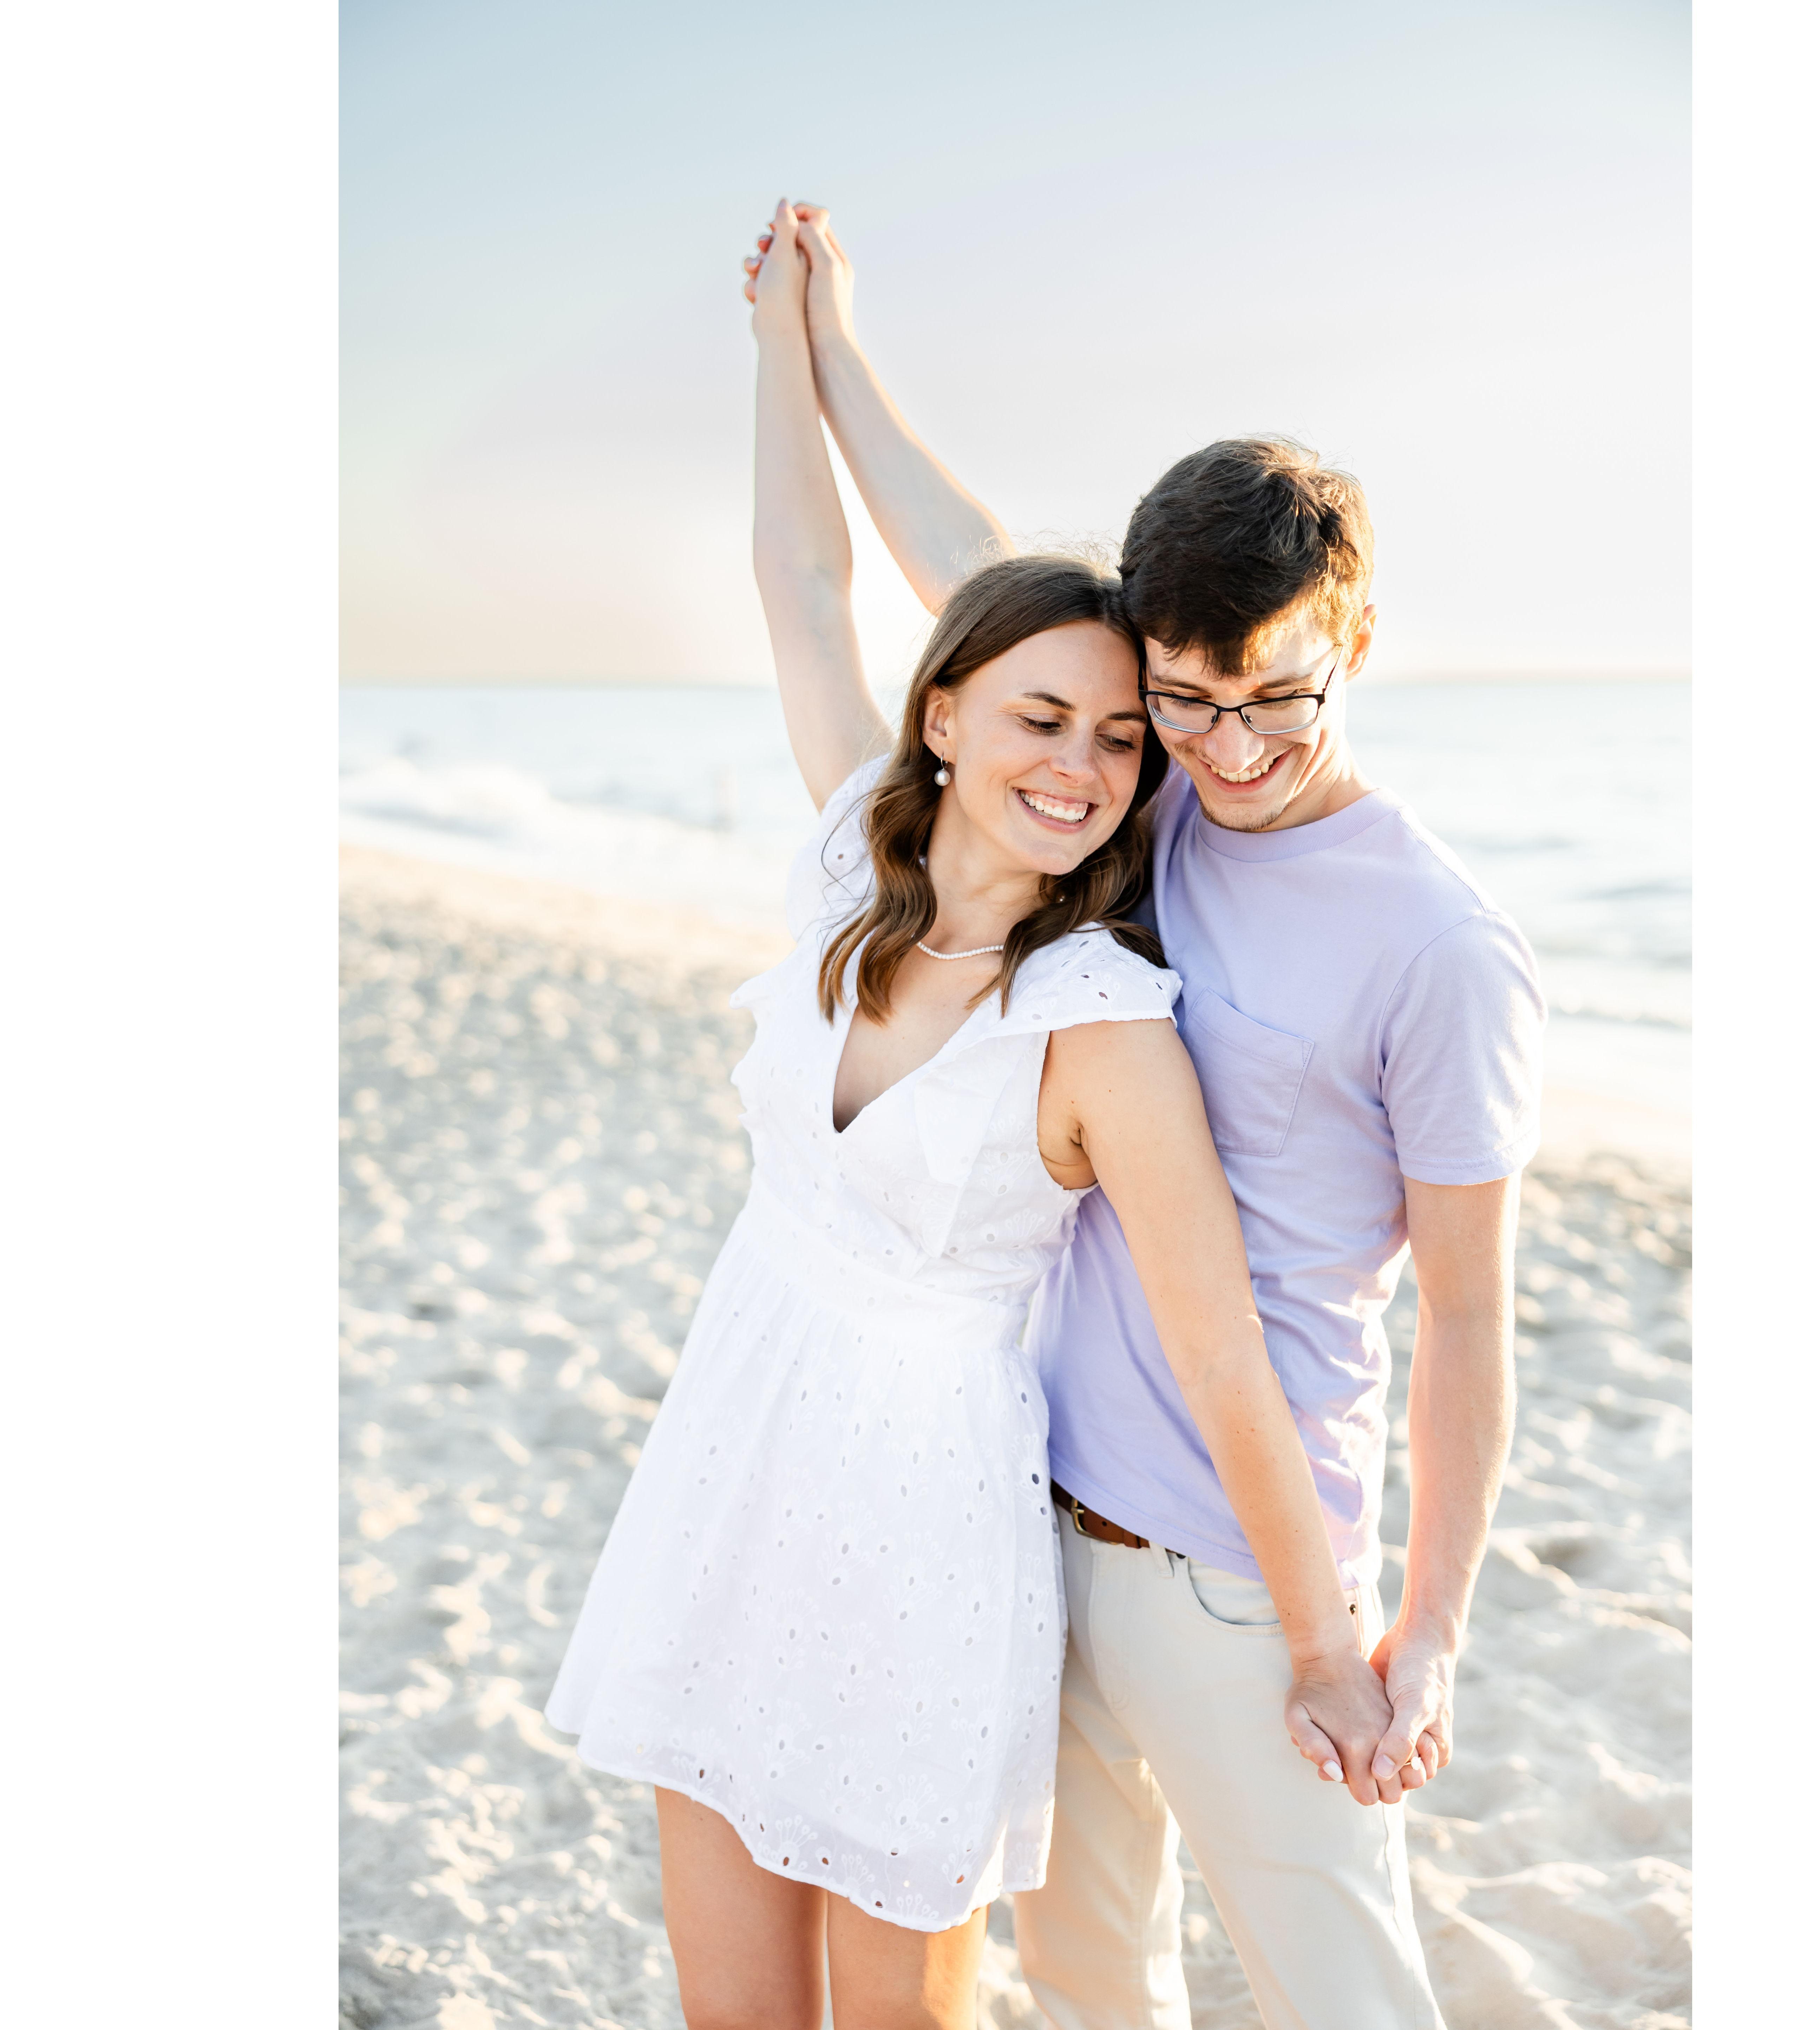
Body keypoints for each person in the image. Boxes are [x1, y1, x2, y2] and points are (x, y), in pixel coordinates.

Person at [546, 203, 1398, 2030]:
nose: (1082, 770)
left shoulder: (1102, 1028)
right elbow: (800, 572)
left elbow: (1221, 1353)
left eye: (1118, 742)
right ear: (941, 714)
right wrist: (797, 340)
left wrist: (1330, 1643)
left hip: (922, 1531)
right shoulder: (837, 851)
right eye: (1038, 719)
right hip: (733, 1451)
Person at [741, 204, 1548, 2030]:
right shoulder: (1138, 794)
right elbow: (959, 563)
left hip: (1247, 1587)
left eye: (1276, 698)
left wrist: (1414, 1636)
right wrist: (823, 343)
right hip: (1024, 1521)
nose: (1230, 751)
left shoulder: (1439, 944)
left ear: (1353, 637)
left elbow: (1469, 1316)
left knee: (1346, 1992)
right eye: (1184, 704)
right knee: (1101, 1986)